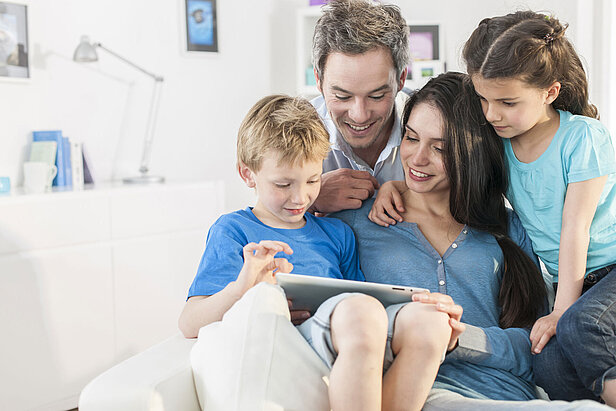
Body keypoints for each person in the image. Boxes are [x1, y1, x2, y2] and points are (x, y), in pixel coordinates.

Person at [335, 72, 610, 410]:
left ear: (471, 155)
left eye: (440, 148)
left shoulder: (505, 227)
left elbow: (536, 346)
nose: (418, 158)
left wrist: (459, 337)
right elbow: (341, 317)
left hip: (513, 396)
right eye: (410, 138)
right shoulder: (357, 221)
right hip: (423, 392)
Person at [178, 94, 458, 411]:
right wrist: (244, 287)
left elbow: (362, 296)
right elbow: (190, 322)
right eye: (283, 184)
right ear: (248, 175)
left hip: (346, 333)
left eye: (312, 180)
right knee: (361, 313)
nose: (300, 197)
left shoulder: (336, 232)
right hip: (302, 337)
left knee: (432, 322)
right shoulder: (234, 231)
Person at [459, 11, 616, 406]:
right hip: (581, 285)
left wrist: (561, 309)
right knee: (547, 362)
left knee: (583, 327)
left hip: (609, 269)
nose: (492, 113)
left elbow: (575, 228)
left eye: (507, 102)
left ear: (549, 92)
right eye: (483, 99)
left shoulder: (583, 137)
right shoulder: (500, 145)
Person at [309, 0, 409, 214]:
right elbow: (264, 219)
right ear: (319, 81)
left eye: (377, 96)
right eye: (342, 96)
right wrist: (310, 196)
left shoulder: (434, 124)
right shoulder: (293, 132)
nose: (360, 115)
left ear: (401, 79)